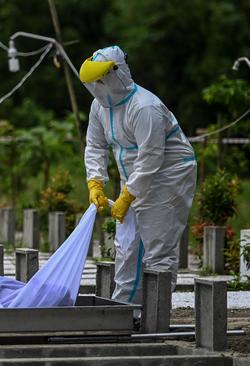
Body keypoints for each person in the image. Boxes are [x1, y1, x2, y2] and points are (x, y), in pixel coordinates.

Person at [80, 46, 197, 304]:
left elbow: (152, 157)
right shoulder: (99, 107)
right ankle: (126, 310)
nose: (97, 87)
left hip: (168, 175)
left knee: (158, 247)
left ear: (117, 74)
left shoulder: (145, 107)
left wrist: (128, 195)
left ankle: (157, 315)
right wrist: (95, 182)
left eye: (101, 81)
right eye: (93, 83)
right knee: (127, 245)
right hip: (134, 177)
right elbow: (95, 145)